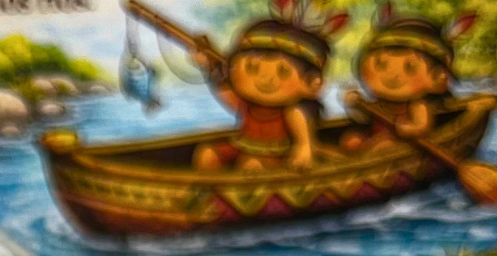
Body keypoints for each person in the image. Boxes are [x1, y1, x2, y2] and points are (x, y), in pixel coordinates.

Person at [189, 12, 338, 173]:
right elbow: (226, 92)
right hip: (243, 146)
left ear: (312, 82)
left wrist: (304, 150)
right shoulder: (248, 104)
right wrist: (209, 66)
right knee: (207, 154)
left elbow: (303, 142)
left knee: (252, 165)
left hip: (277, 154)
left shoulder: (293, 112)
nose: (265, 79)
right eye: (252, 68)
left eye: (283, 72)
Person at [341, 8, 474, 150]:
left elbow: (421, 126)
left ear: (436, 78)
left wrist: (410, 128)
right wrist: (355, 104)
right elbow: (365, 118)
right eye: (380, 64)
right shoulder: (379, 103)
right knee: (351, 140)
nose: (392, 75)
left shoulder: (417, 106)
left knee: (385, 145)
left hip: (401, 143)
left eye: (410, 68)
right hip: (376, 138)